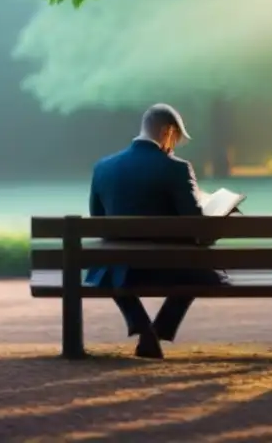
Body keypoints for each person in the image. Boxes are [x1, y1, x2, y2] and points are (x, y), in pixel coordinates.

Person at [87, 103, 229, 358]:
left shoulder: (103, 167)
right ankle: (158, 328)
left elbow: (98, 221)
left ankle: (144, 329)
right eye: (175, 138)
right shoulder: (177, 168)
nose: (173, 146)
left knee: (107, 266)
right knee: (200, 271)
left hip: (121, 270)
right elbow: (195, 224)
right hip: (168, 268)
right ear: (166, 131)